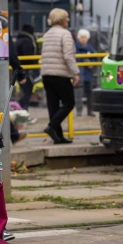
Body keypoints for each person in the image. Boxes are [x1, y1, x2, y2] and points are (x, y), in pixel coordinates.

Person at [40, 8, 80, 144]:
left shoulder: (47, 34)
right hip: (61, 74)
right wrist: (75, 72)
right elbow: (68, 56)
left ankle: (58, 136)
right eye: (67, 17)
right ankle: (51, 127)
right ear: (62, 19)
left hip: (46, 74)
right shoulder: (65, 34)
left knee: (53, 106)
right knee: (69, 103)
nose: (68, 20)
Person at [14, 24, 38, 110]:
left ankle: (23, 110)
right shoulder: (27, 41)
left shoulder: (19, 39)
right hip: (25, 70)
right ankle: (19, 108)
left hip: (19, 69)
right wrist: (34, 63)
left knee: (26, 91)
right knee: (27, 91)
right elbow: (28, 55)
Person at [75, 29, 96, 116]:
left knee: (89, 93)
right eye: (82, 37)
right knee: (78, 93)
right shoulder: (75, 48)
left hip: (88, 73)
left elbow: (94, 58)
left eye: (85, 37)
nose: (83, 39)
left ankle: (90, 110)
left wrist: (92, 64)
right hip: (79, 73)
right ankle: (79, 111)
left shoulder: (90, 48)